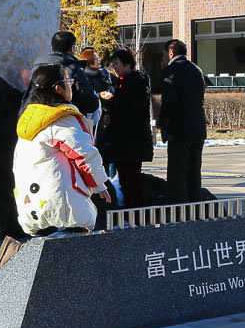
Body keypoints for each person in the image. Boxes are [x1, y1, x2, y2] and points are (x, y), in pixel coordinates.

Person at [12, 64, 111, 236]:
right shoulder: (60, 118)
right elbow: (83, 153)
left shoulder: (30, 118)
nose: (71, 85)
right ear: (58, 88)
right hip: (62, 208)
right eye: (68, 81)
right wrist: (99, 183)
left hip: (33, 205)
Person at [158, 39, 207, 204]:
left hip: (179, 130)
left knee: (177, 174)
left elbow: (170, 103)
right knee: (194, 172)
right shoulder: (196, 69)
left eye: (164, 55)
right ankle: (194, 208)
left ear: (171, 53)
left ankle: (180, 212)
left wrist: (162, 124)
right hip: (198, 128)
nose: (163, 59)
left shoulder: (171, 71)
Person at [104, 47, 153, 208]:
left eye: (116, 63)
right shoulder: (123, 82)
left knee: (132, 182)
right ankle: (129, 215)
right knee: (125, 181)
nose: (114, 67)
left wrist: (112, 118)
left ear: (127, 64)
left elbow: (134, 111)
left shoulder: (136, 81)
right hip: (123, 141)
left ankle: (137, 216)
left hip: (133, 141)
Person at [21, 31, 99, 118]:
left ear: (52, 47)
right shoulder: (73, 69)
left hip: (32, 119)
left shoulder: (35, 68)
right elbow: (90, 103)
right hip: (63, 121)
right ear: (72, 48)